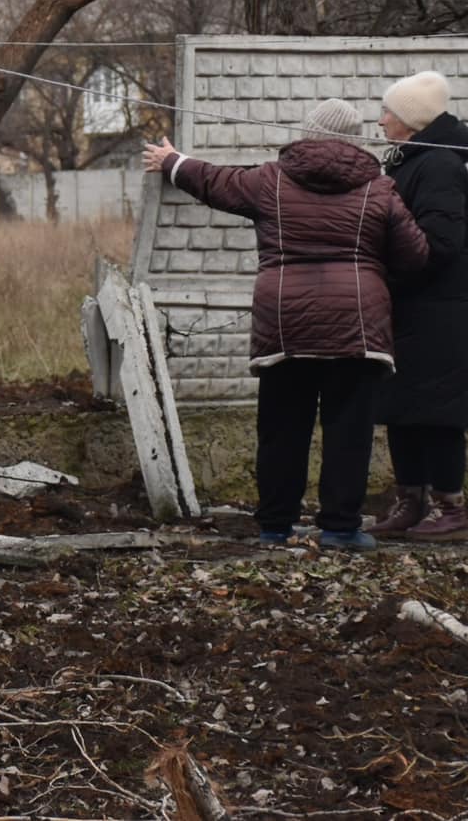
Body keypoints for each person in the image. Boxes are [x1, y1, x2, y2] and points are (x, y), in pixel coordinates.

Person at [144, 98, 427, 551]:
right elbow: (415, 256)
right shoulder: (380, 188)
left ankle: (275, 526)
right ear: (355, 142)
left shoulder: (270, 180)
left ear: (307, 133)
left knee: (281, 430)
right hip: (356, 325)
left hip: (285, 323)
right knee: (348, 432)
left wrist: (172, 162)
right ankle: (339, 529)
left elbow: (216, 182)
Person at [369, 70, 468, 540]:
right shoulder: (411, 161)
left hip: (443, 312)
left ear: (411, 123)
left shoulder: (437, 166)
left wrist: (385, 272)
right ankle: (411, 502)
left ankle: (450, 510)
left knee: (438, 412)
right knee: (401, 407)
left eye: (388, 113)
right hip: (415, 305)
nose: (379, 121)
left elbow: (439, 243)